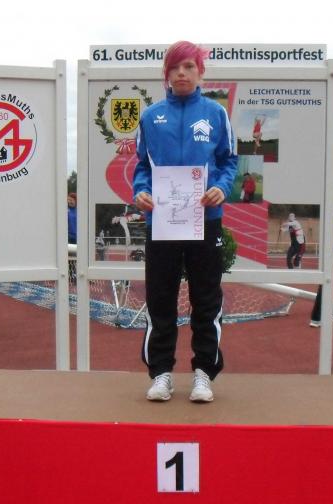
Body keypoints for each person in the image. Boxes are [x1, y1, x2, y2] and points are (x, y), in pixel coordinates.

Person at [132, 40, 238, 403]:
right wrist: (141, 192)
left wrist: (221, 188)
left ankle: (203, 374)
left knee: (205, 299)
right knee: (160, 299)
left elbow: (229, 161)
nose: (181, 73)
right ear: (166, 74)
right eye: (175, 67)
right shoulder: (150, 117)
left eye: (189, 66)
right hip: (162, 221)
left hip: (205, 220)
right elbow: (142, 166)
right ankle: (161, 373)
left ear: (200, 72)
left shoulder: (215, 114)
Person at [310, 208, 333, 327]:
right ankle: (316, 317)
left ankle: (326, 313)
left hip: (329, 252)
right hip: (332, 252)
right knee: (326, 283)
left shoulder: (329, 211)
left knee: (328, 283)